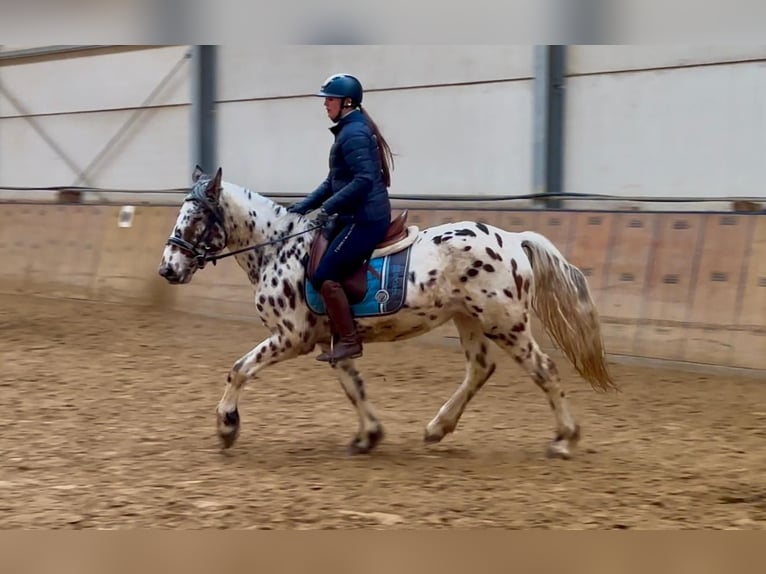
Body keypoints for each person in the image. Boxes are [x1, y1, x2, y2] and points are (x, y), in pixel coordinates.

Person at [287, 73, 395, 363]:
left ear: (347, 102)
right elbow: (333, 181)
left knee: (324, 274)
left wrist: (328, 208)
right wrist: (302, 206)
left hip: (365, 219)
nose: (326, 105)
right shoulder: (349, 130)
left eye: (330, 100)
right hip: (353, 214)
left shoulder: (354, 134)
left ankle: (350, 341)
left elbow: (363, 181)